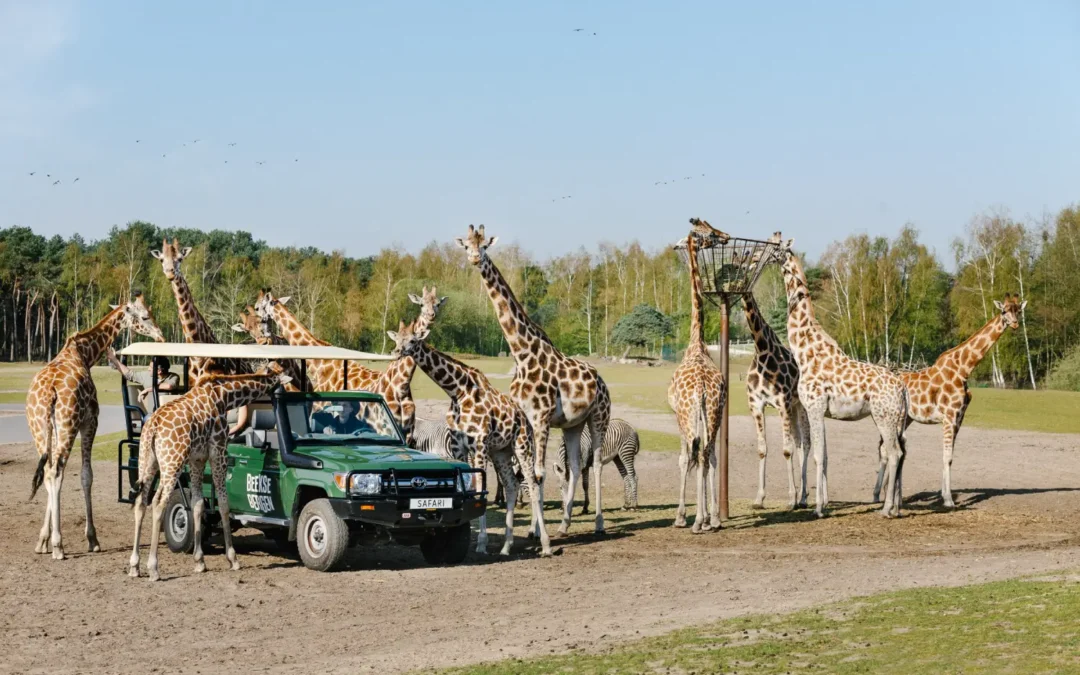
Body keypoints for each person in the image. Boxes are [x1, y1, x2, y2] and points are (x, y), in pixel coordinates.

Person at [107, 347, 180, 414]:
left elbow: (169, 386)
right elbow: (129, 374)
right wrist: (114, 359)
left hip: (171, 413)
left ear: (159, 371)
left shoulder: (173, 377)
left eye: (151, 367)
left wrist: (148, 389)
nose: (148, 369)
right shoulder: (146, 375)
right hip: (153, 414)